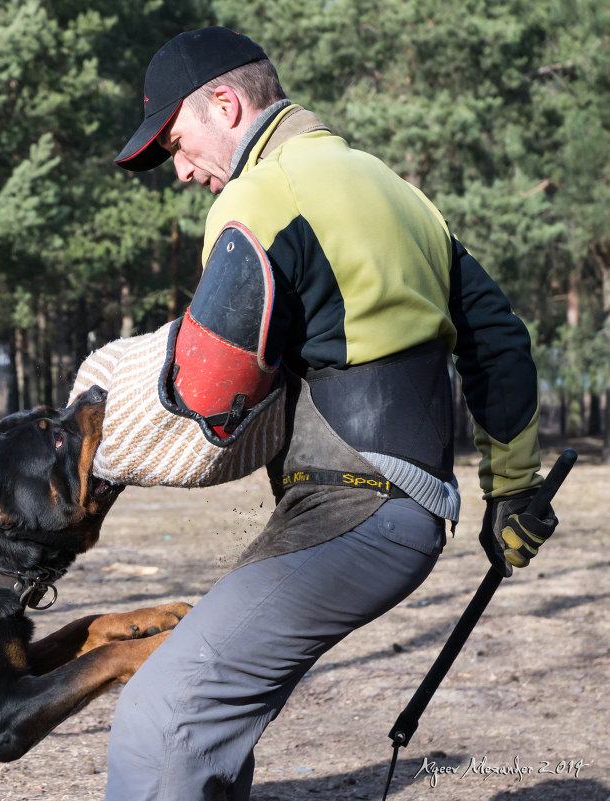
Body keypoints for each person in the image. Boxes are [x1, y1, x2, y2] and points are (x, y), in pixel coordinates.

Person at [101, 26, 557, 801]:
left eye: (178, 141)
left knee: (164, 716)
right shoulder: (399, 193)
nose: (180, 170)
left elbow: (210, 394)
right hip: (399, 509)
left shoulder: (262, 194)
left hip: (351, 510)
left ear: (225, 102)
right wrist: (511, 488)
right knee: (207, 710)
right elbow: (499, 342)